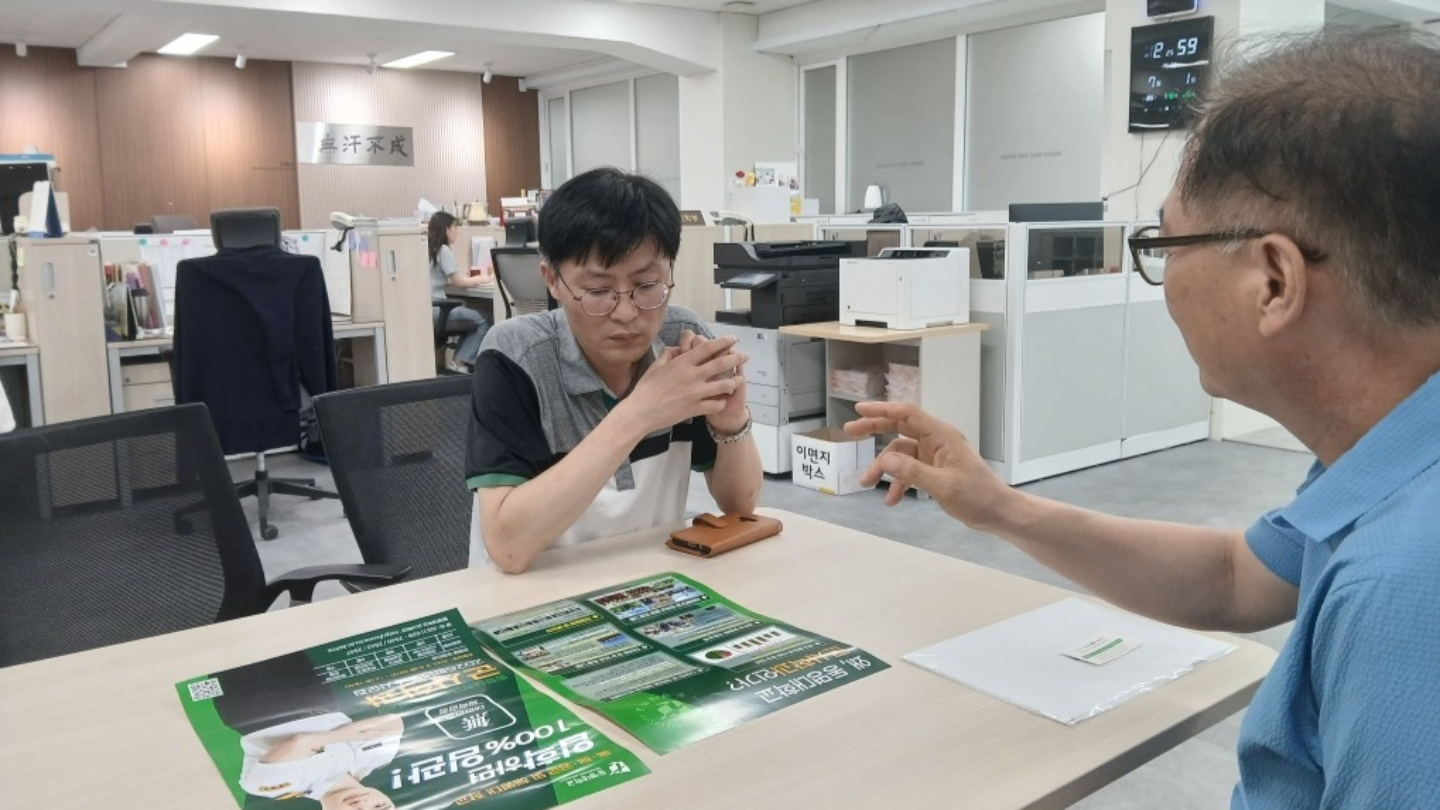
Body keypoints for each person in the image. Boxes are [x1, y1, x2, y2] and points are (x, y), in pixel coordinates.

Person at [846, 29, 1440, 808]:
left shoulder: (1406, 588)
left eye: (1166, 242)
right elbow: (1237, 578)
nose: (1162, 276)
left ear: (1273, 281)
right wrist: (999, 507)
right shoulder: (1383, 458)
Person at [466, 167, 762, 574]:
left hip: (649, 584)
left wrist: (731, 425)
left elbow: (740, 505)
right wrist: (640, 413)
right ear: (552, 280)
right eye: (598, 291)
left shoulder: (682, 340)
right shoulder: (515, 356)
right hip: (531, 590)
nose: (626, 313)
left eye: (647, 286)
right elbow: (508, 549)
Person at [238, 712, 402, 808]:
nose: (363, 804)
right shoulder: (378, 758)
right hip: (318, 694)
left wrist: (351, 735)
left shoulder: (275, 789)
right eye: (379, 806)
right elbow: (393, 722)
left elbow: (298, 742)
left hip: (254, 708)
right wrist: (319, 742)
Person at [429, 211, 491, 371]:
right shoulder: (443, 250)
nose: (457, 231)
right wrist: (482, 279)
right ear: (446, 229)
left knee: (469, 319)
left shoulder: (429, 249)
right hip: (437, 311)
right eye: (454, 227)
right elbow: (460, 283)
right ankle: (460, 363)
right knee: (482, 319)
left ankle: (459, 361)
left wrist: (464, 278)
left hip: (428, 310)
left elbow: (446, 278)